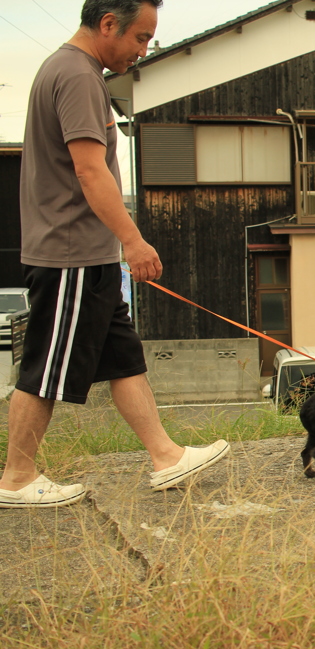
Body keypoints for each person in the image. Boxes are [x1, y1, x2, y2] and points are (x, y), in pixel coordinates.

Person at [0, 0, 230, 508]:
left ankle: (165, 455)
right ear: (108, 24)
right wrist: (132, 239)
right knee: (46, 366)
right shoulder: (77, 75)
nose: (143, 50)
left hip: (88, 254)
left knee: (124, 358)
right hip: (71, 253)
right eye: (140, 38)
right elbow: (89, 170)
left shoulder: (69, 70)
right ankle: (16, 477)